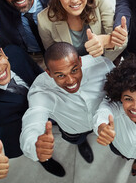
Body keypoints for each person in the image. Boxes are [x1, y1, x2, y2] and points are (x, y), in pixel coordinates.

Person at [0, 42, 65, 181]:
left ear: (4, 54)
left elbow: (36, 71)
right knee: (39, 149)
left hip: (51, 107)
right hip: (23, 132)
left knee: (69, 128)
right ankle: (45, 161)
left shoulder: (15, 53)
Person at [20, 42, 114, 170]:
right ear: (49, 73)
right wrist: (33, 144)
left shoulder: (102, 64)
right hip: (73, 130)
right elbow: (33, 120)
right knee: (78, 140)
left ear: (80, 61)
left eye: (74, 70)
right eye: (60, 75)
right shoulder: (40, 90)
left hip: (100, 122)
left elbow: (115, 93)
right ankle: (81, 144)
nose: (70, 80)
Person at [37, 0, 125, 62]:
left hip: (104, 63)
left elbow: (122, 42)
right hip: (72, 71)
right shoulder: (44, 20)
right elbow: (53, 58)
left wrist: (104, 41)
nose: (74, 0)